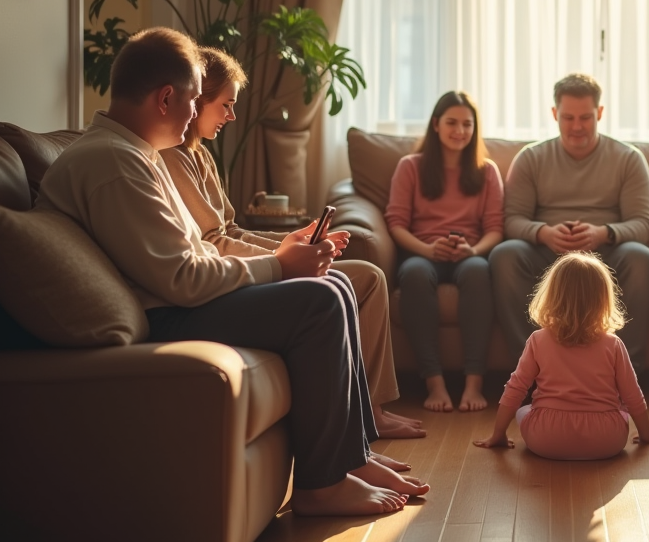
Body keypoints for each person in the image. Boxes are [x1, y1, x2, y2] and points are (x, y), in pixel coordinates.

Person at [37, 28, 429, 517]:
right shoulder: (114, 163)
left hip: (174, 301)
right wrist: (279, 265)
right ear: (166, 98)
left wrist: (282, 260)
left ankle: (351, 456)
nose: (196, 111)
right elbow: (182, 279)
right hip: (164, 315)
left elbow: (195, 252)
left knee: (334, 283)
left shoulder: (136, 154)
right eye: (194, 98)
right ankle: (321, 486)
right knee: (320, 299)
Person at [161, 47, 425, 442]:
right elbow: (214, 241)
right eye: (226, 105)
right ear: (197, 101)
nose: (232, 116)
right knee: (357, 280)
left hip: (240, 263)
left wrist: (293, 240)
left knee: (368, 276)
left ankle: (372, 409)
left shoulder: (201, 155)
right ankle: (364, 416)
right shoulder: (173, 158)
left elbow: (230, 229)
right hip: (226, 277)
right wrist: (284, 257)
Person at [490, 74, 649, 372]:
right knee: (504, 255)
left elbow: (645, 223)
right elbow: (512, 219)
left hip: (606, 255)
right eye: (568, 118)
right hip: (547, 254)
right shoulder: (531, 158)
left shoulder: (628, 158)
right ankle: (531, 369)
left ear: (600, 113)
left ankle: (624, 373)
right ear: (554, 113)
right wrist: (543, 233)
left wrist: (604, 233)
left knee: (641, 258)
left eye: (586, 117)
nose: (577, 126)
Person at [473, 252, 649, 458]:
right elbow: (632, 394)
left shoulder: (538, 340)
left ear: (551, 295)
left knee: (523, 411)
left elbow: (516, 388)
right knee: (622, 411)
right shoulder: (613, 344)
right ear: (604, 299)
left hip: (546, 438)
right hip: (606, 440)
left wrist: (498, 434)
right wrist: (646, 434)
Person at [385, 90, 504, 413]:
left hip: (470, 254)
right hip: (422, 252)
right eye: (452, 123)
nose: (460, 131)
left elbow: (495, 228)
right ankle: (434, 382)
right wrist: (427, 249)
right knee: (414, 273)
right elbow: (396, 223)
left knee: (479, 271)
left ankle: (473, 383)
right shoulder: (411, 167)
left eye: (467, 124)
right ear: (436, 124)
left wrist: (473, 250)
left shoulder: (487, 171)